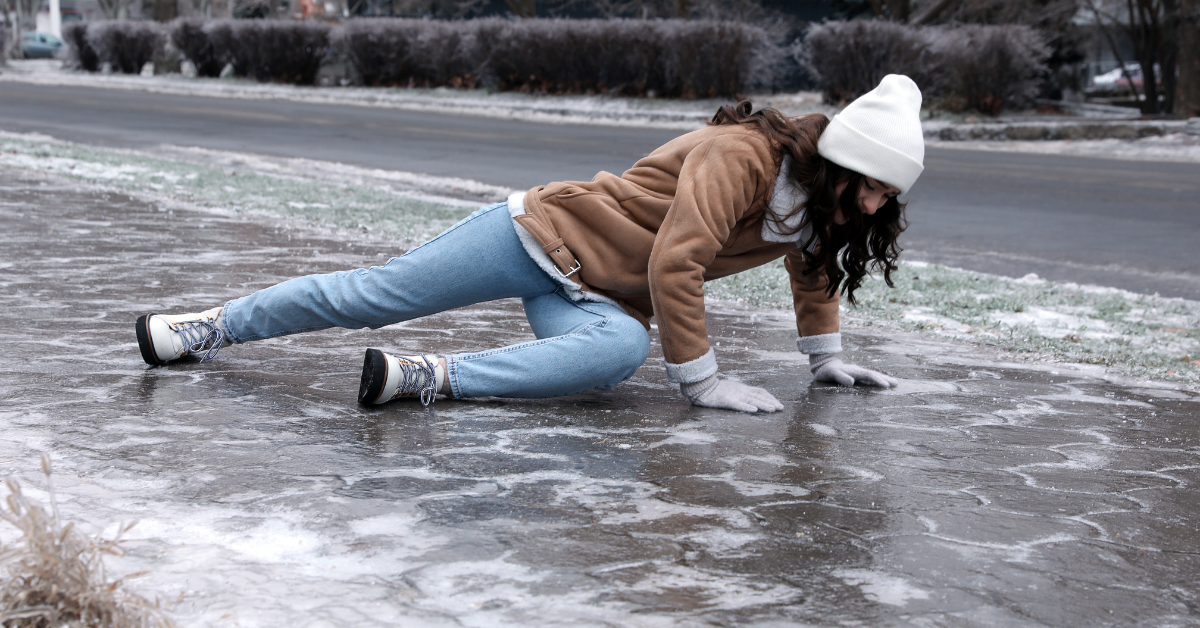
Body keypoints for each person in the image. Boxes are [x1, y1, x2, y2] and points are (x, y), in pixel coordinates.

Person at [135, 74, 924, 414]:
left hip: (599, 295)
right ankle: (206, 327)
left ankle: (425, 378)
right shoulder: (743, 157)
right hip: (538, 234)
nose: (878, 203)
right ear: (838, 163)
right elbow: (677, 260)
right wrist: (703, 382)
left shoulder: (822, 205)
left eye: (890, 194)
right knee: (374, 297)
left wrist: (824, 359)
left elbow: (814, 264)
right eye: (874, 185)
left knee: (614, 356)